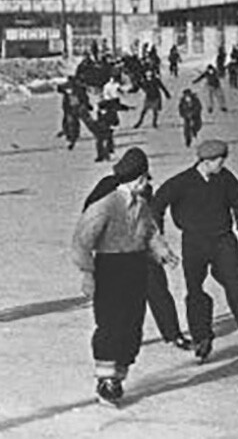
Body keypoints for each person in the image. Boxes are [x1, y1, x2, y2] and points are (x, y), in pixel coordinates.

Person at [150, 139, 238, 364]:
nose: (222, 164)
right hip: (194, 242)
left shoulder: (225, 179)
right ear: (205, 161)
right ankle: (202, 337)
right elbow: (157, 205)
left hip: (223, 240)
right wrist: (158, 237)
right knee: (195, 289)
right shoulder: (182, 182)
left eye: (223, 159)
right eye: (218, 161)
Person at [72, 149, 179, 406]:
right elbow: (82, 241)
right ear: (134, 179)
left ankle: (118, 375)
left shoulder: (140, 204)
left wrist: (163, 252)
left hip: (136, 266)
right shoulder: (106, 205)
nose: (147, 183)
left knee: (132, 324)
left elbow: (150, 231)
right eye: (144, 178)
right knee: (111, 323)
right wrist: (88, 273)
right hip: (110, 267)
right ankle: (106, 379)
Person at [82, 151, 193, 355]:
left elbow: (150, 217)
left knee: (158, 290)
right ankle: (115, 337)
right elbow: (89, 214)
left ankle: (173, 333)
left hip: (143, 250)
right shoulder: (107, 187)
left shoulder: (145, 189)